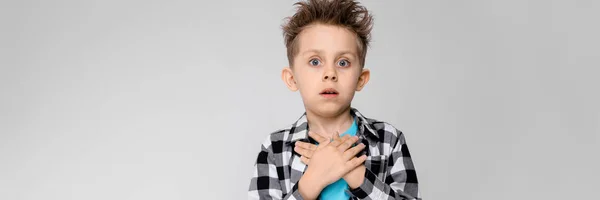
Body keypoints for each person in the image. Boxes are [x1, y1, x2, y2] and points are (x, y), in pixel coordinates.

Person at [248, 0, 421, 199]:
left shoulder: (389, 140)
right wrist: (312, 180)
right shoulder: (274, 148)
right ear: (292, 78)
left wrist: (353, 171)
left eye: (343, 62)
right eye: (315, 61)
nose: (330, 73)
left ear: (360, 79)